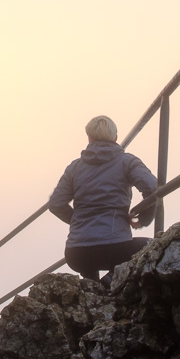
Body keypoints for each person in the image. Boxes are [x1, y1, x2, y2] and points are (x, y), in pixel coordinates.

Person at [48, 115, 158, 283]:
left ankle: (91, 285)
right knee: (154, 246)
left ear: (89, 138)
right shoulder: (126, 161)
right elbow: (152, 188)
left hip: (76, 253)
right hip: (115, 248)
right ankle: (111, 279)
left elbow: (56, 204)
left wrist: (78, 220)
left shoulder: (74, 167)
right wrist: (143, 218)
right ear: (115, 138)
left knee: (89, 261)